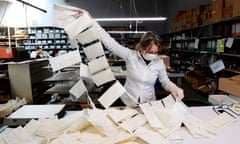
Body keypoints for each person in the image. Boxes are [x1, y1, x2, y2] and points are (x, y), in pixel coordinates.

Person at [90, 17, 184, 106]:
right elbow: (109, 42)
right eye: (150, 52)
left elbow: (165, 81)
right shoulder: (130, 56)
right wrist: (92, 22)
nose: (153, 55)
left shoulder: (158, 62)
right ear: (142, 47)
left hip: (148, 103)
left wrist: (174, 88)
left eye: (156, 52)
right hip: (129, 101)